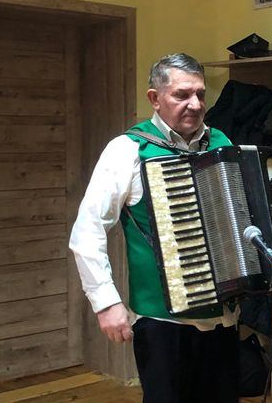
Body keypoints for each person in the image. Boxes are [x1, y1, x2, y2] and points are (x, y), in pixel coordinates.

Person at [69, 53, 240, 403]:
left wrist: (271, 218)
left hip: (224, 316)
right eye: (182, 95)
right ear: (155, 98)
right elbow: (87, 232)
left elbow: (237, 213)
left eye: (200, 94)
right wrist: (106, 303)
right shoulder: (128, 150)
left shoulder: (222, 143)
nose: (195, 104)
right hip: (162, 323)